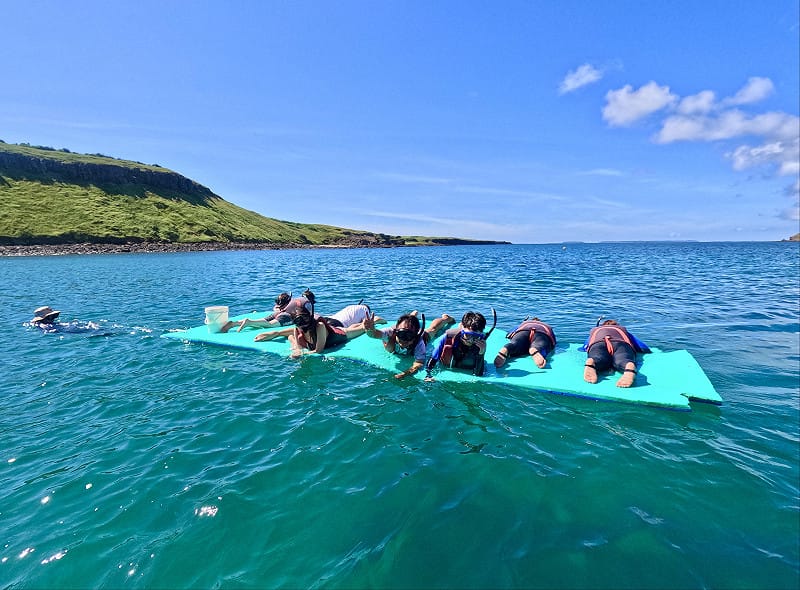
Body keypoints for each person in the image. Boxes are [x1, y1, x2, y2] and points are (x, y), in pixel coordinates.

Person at [363, 311, 455, 379]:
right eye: (402, 335)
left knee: (433, 329)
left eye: (409, 336)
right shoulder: (390, 333)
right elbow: (374, 334)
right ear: (396, 331)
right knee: (391, 345)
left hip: (423, 336)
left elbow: (418, 363)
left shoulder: (419, 342)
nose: (404, 340)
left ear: (415, 336)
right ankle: (412, 315)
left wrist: (405, 373)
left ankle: (446, 318)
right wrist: (370, 329)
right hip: (400, 335)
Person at [254, 306, 367, 357]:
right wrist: (275, 333)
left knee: (363, 328)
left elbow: (319, 350)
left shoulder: (320, 326)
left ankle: (371, 321)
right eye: (299, 326)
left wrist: (301, 353)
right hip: (314, 340)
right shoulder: (298, 325)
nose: (300, 328)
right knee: (298, 341)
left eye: (302, 326)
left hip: (339, 333)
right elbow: (298, 346)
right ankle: (289, 339)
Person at [581, 319, 651, 387]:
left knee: (598, 357)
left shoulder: (596, 330)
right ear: (617, 325)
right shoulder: (622, 330)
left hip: (598, 343)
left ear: (603, 325)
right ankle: (628, 365)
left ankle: (592, 362)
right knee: (622, 360)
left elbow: (585, 347)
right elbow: (643, 347)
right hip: (620, 343)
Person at [425, 311, 490, 380]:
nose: (470, 340)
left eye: (475, 336)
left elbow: (479, 374)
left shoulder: (480, 345)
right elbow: (433, 358)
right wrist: (428, 375)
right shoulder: (447, 337)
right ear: (462, 330)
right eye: (467, 335)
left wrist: (481, 353)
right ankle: (448, 319)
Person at [221, 290, 315, 332]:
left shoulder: (295, 300)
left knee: (263, 322)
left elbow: (277, 308)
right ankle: (249, 322)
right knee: (269, 325)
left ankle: (234, 324)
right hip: (286, 316)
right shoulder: (306, 303)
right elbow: (307, 315)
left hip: (277, 313)